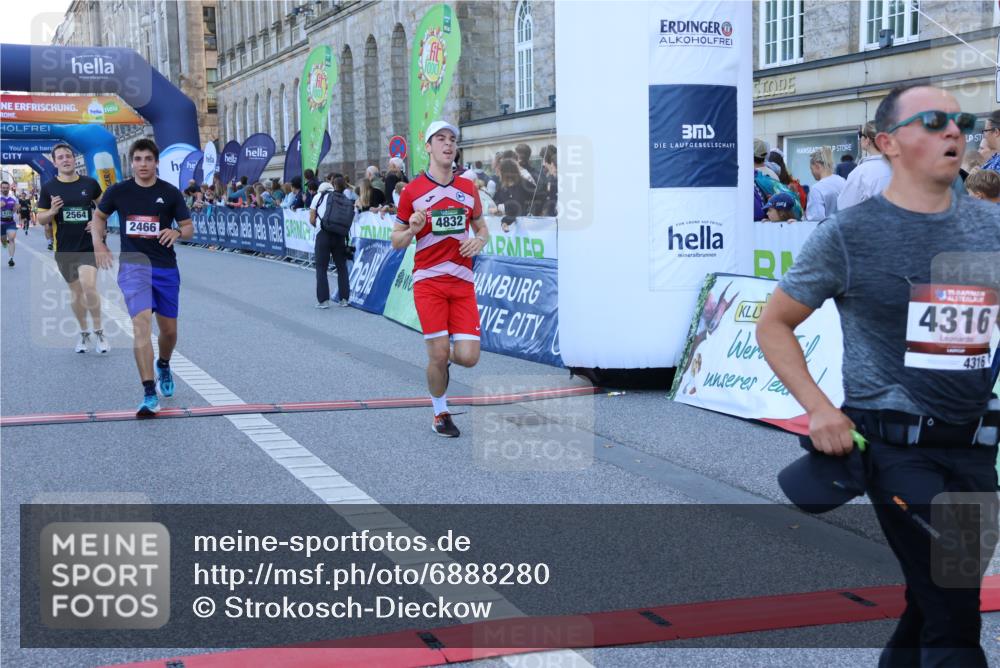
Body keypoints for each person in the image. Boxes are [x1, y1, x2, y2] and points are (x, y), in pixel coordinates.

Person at [756, 84, 999, 667]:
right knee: (954, 616)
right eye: (934, 121)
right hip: (897, 450)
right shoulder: (850, 234)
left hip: (975, 450)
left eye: (961, 122)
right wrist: (820, 409)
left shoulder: (992, 228)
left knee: (932, 601)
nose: (954, 132)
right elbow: (774, 325)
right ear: (887, 142)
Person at [391, 120, 490, 438]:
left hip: (462, 282)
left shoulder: (468, 188)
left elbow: (482, 227)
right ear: (428, 147)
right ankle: (440, 413)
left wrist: (479, 241)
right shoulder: (412, 191)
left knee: (469, 358)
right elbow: (396, 241)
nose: (448, 144)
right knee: (437, 353)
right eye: (441, 139)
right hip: (429, 281)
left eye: (452, 140)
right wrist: (412, 230)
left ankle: (443, 359)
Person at [91, 138, 194, 417]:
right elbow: (99, 217)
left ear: (156, 162)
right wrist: (99, 243)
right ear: (132, 163)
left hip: (165, 267)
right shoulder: (119, 191)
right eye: (138, 159)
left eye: (148, 159)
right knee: (141, 325)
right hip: (133, 267)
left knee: (169, 332)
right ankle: (149, 393)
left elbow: (188, 227)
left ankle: (164, 363)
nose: (143, 164)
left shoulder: (170, 193)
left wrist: (177, 232)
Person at [36, 142, 109, 353]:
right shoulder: (49, 188)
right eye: (60, 157)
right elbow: (41, 219)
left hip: (88, 246)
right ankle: (84, 333)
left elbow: (105, 208)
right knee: (76, 292)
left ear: (74, 159)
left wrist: (97, 223)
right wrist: (52, 211)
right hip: (64, 248)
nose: (65, 160)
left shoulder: (90, 183)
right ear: (55, 162)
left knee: (89, 286)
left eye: (68, 156)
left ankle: (99, 331)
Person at [309, 177, 353, 308]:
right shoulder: (343, 198)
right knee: (341, 267)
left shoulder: (318, 197)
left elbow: (312, 219)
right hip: (339, 235)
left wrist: (318, 225)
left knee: (321, 267)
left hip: (323, 234)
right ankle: (344, 299)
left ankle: (323, 301)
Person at [838, 122, 893, 211]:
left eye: (861, 135)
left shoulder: (861, 173)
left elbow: (844, 207)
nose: (860, 138)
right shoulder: (901, 168)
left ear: (867, 140)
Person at [490, 158, 535, 232]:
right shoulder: (503, 188)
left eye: (500, 171)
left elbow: (517, 207)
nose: (499, 173)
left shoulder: (523, 185)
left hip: (530, 225)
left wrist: (500, 209)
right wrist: (498, 211)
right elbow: (498, 202)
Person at [804, 146, 846, 220]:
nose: (811, 173)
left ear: (817, 166)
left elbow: (815, 219)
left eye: (811, 169)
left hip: (829, 227)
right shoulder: (843, 181)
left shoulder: (817, 189)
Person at [0, 181, 20, 266]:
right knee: (3, 240)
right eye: (3, 188)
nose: (5, 189)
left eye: (7, 188)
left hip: (11, 222)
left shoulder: (13, 197)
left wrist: (16, 207)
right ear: (0, 188)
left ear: (9, 188)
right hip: (1, 223)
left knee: (11, 238)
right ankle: (4, 243)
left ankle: (11, 259)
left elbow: (17, 206)